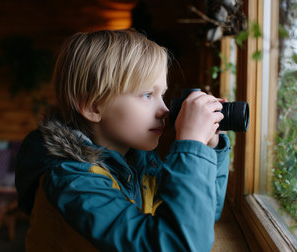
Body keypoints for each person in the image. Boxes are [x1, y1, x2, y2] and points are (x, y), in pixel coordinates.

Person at [15, 29, 230, 252]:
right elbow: (179, 246)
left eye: (162, 95)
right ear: (93, 106)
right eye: (147, 95)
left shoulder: (138, 160)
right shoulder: (71, 181)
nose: (164, 110)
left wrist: (209, 147)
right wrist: (191, 145)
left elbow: (202, 214)